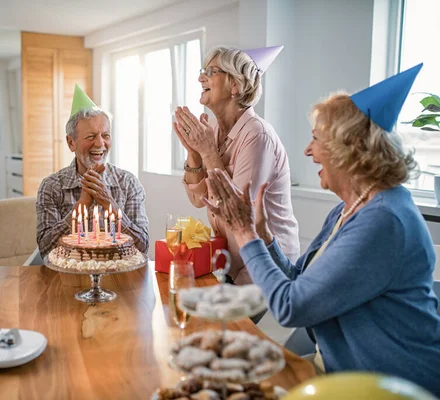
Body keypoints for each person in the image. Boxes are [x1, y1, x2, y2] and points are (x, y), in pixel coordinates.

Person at [203, 63, 440, 396]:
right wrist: (265, 236)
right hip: (339, 370)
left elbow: (291, 306)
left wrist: (246, 235)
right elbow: (298, 282)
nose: (307, 150)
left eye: (315, 139)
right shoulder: (349, 209)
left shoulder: (385, 221)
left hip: (388, 387)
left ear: (349, 151)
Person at [174, 45, 299, 286]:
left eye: (211, 72)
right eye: (203, 71)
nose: (201, 77)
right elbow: (199, 200)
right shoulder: (216, 130)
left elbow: (236, 211)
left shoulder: (257, 134)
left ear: (235, 85)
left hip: (267, 266)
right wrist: (194, 154)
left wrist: (208, 151)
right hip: (233, 260)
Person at [36, 85, 149, 257]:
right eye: (91, 136)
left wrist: (109, 202)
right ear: (71, 142)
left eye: (105, 135)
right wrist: (82, 203)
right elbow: (45, 250)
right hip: (69, 280)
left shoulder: (128, 183)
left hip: (118, 278)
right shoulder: (51, 187)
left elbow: (142, 247)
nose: (100, 144)